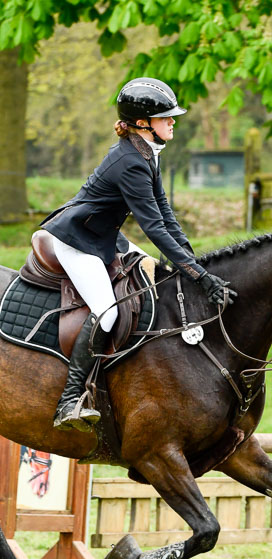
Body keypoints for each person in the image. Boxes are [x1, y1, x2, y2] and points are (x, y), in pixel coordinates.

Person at [40, 77, 236, 432]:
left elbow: (166, 215)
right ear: (144, 123)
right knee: (109, 312)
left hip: (105, 238)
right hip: (77, 241)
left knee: (154, 277)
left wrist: (194, 263)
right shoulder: (131, 161)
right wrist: (197, 275)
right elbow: (154, 229)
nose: (173, 122)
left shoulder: (146, 153)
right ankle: (70, 400)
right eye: (166, 117)